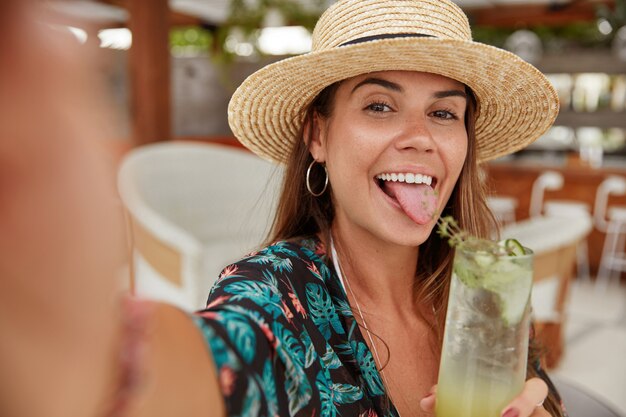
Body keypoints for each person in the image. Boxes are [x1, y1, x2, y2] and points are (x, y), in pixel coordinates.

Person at [0, 1, 565, 417]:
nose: (420, 138)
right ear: (318, 134)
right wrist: (74, 352)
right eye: (379, 105)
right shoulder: (275, 295)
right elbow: (208, 366)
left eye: (444, 114)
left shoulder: (485, 289)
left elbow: (538, 387)